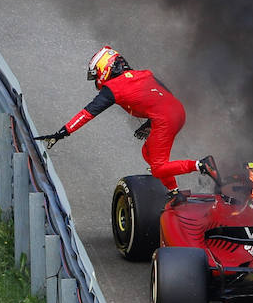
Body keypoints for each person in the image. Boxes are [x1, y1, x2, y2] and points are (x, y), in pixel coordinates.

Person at [53, 46, 212, 199]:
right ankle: (174, 192)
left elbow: (88, 113)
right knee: (147, 151)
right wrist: (150, 122)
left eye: (96, 74)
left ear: (105, 69)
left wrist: (63, 132)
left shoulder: (112, 88)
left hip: (164, 119)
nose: (96, 79)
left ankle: (201, 165)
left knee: (158, 168)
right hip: (177, 112)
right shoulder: (144, 74)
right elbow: (165, 95)